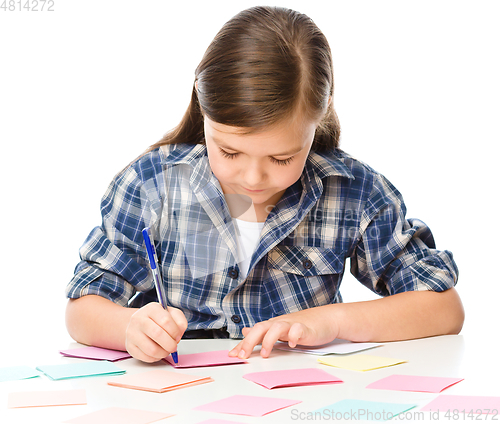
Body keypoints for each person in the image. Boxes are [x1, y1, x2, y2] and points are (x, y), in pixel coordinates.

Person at [65, 6, 464, 363]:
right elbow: (81, 311)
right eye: (230, 152)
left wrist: (330, 321)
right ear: (204, 114)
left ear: (318, 120)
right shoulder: (151, 184)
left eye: (281, 158)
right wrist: (129, 328)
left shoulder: (353, 191)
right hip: (176, 399)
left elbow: (444, 310)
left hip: (298, 401)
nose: (253, 178)